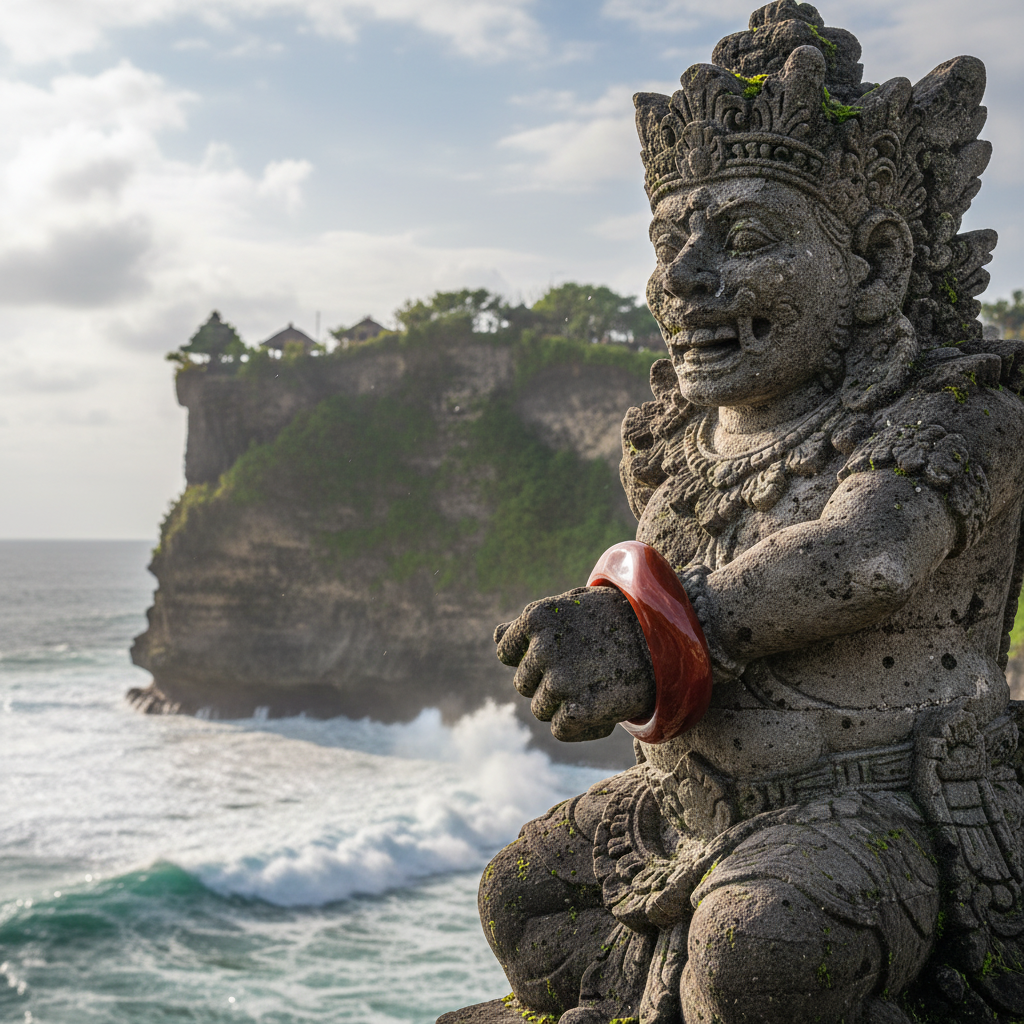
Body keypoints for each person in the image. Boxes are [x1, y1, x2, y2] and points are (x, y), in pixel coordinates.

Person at [460, 4, 1024, 1022]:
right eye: (669, 242)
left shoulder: (960, 412)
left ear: (876, 265)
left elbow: (869, 558)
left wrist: (651, 630)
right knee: (520, 902)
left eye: (743, 237)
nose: (683, 281)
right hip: (686, 802)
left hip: (873, 800)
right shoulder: (671, 446)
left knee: (756, 958)